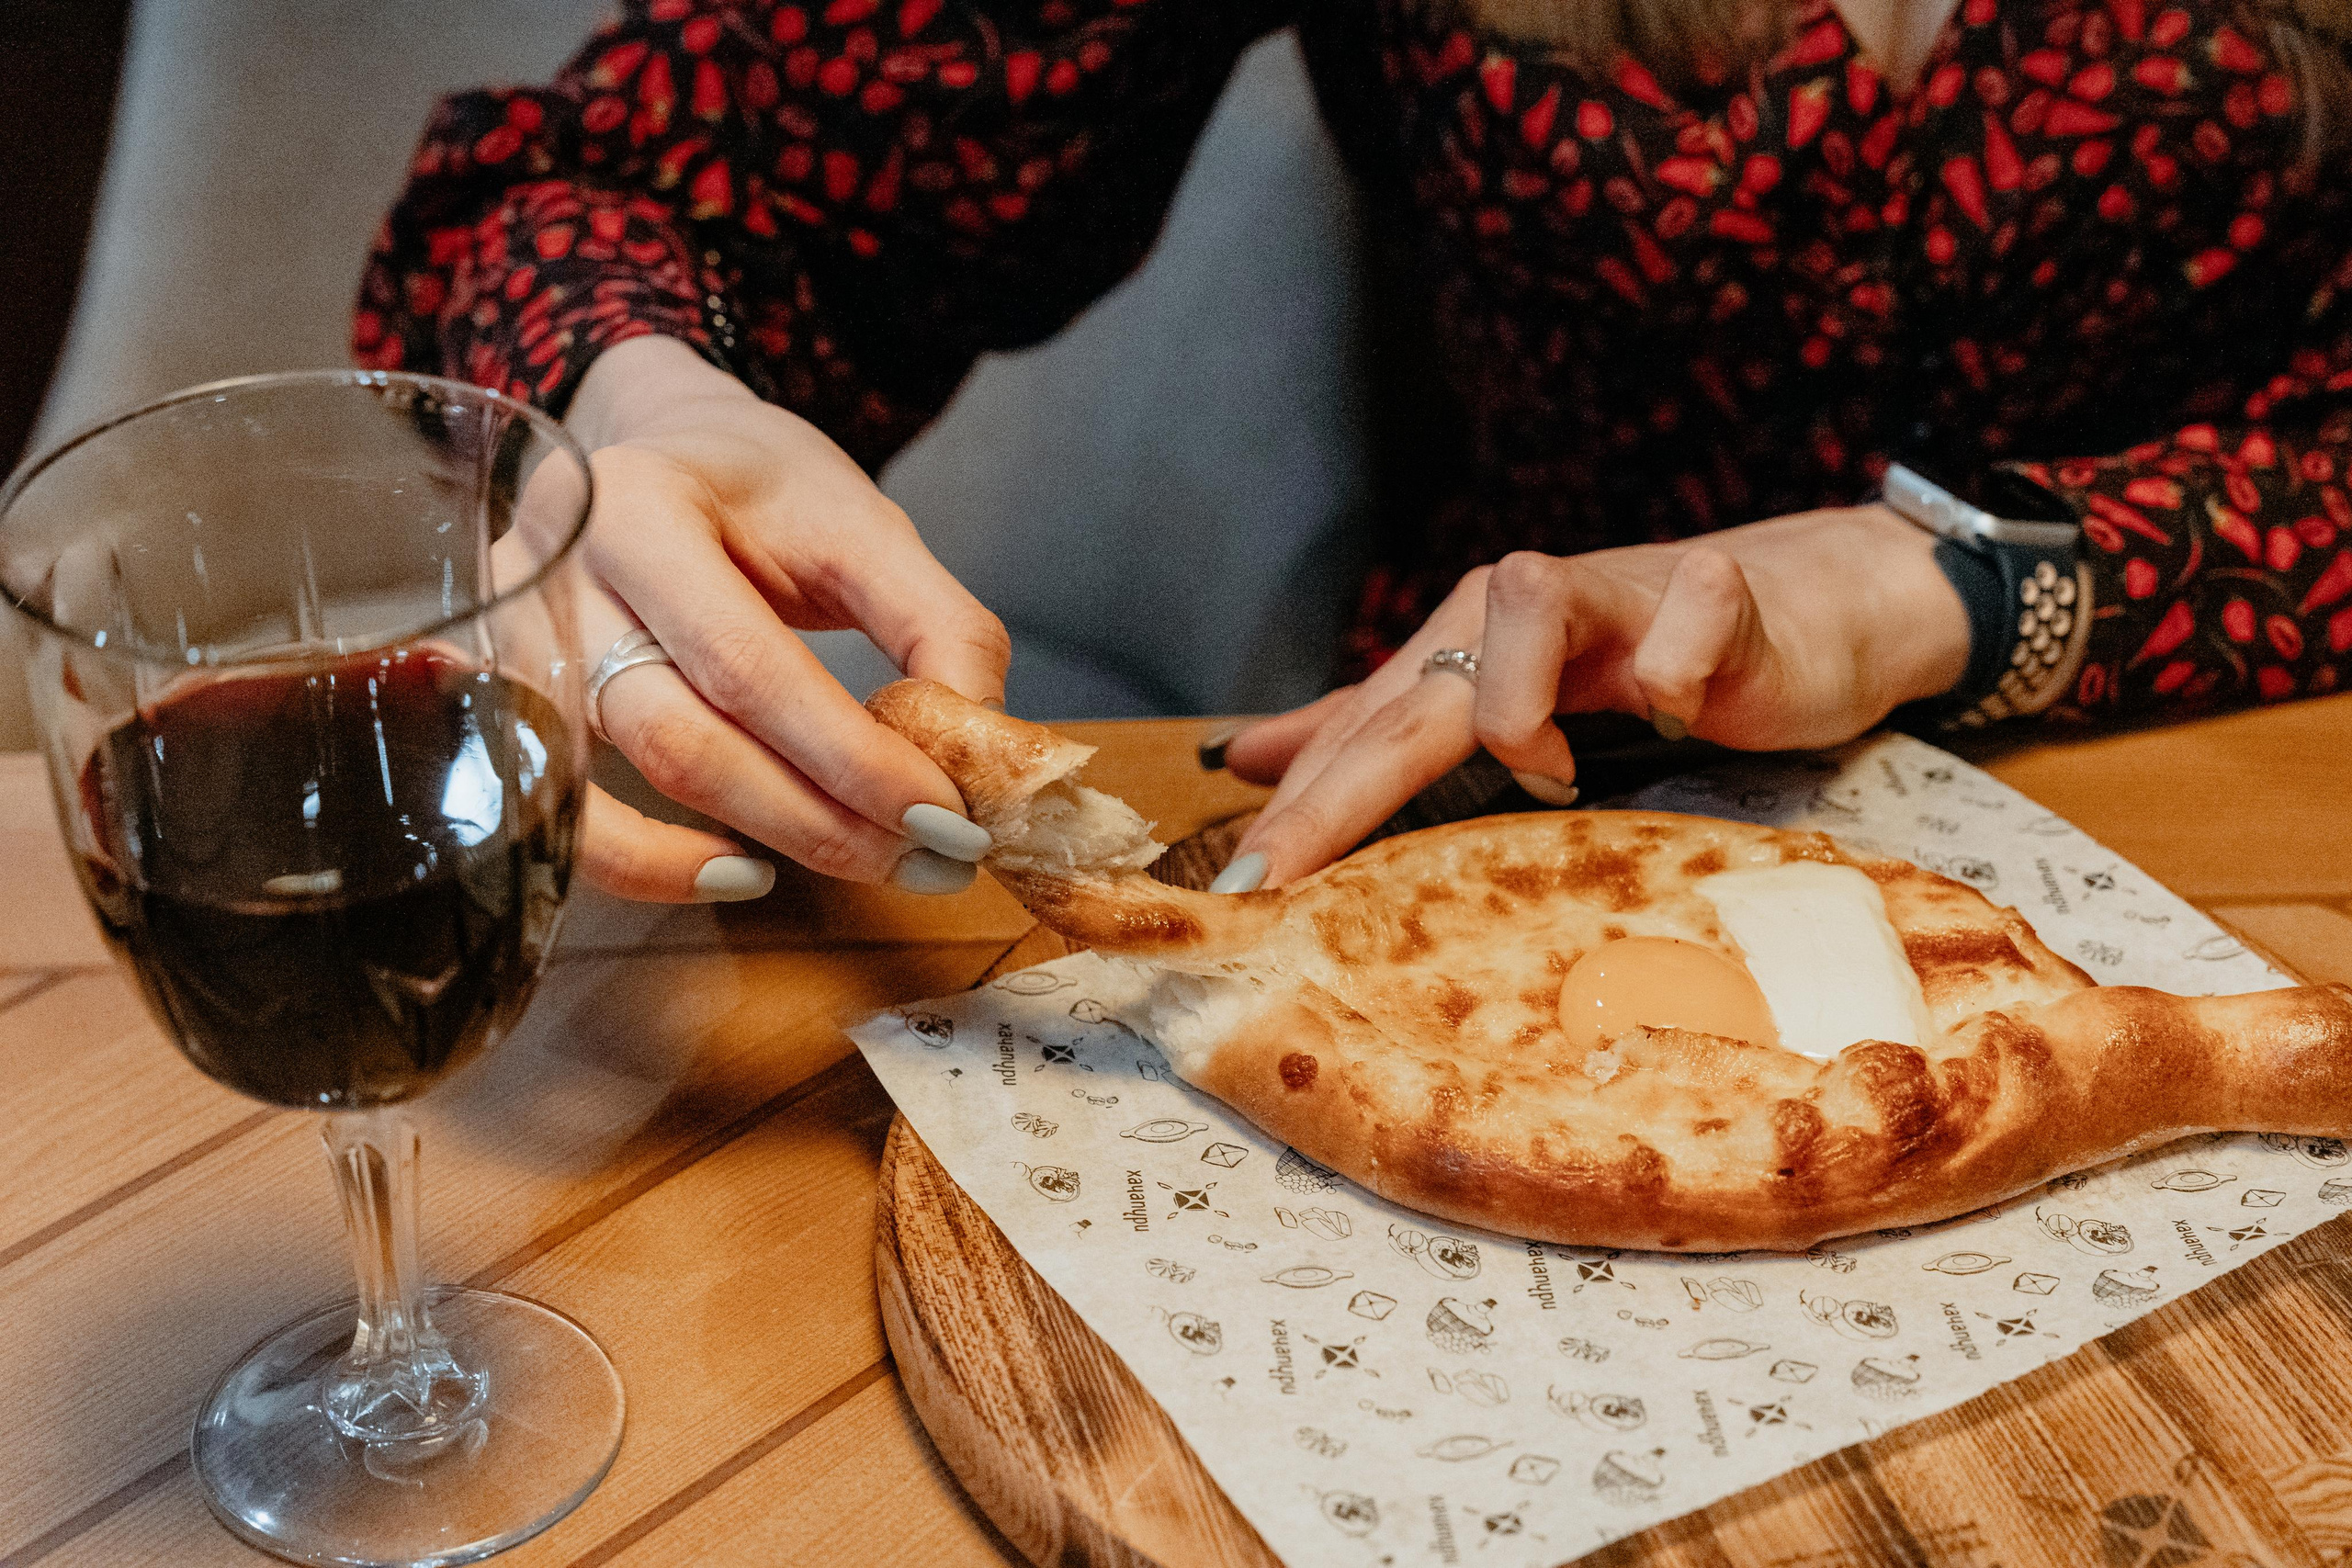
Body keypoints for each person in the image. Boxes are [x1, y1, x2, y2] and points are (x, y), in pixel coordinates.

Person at [357, 0, 2352, 904]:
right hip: (1478, 825)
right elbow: (664, 161)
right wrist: (631, 389)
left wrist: (1938, 582)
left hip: (2234, 804)